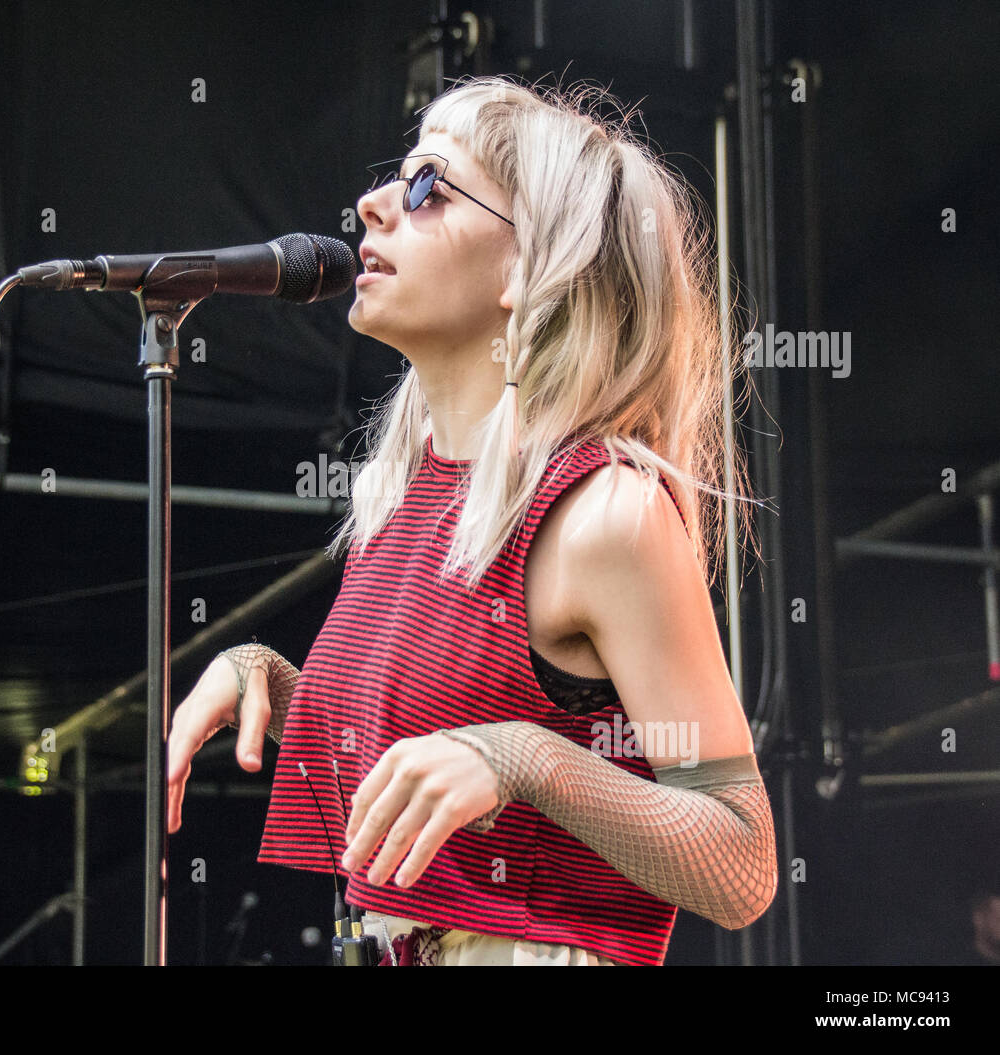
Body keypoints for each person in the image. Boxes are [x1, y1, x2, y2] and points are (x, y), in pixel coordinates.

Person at [168, 76, 777, 966]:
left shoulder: (603, 510)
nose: (372, 205)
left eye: (427, 188)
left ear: (529, 266)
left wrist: (520, 756)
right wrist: (269, 677)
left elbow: (743, 858)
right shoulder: (412, 499)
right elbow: (434, 763)